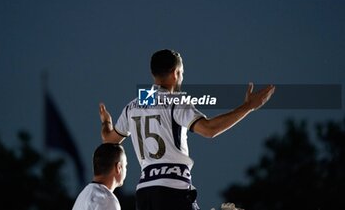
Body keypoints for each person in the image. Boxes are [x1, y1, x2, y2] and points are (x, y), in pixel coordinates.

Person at [99, 49, 275, 210]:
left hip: (145, 194)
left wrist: (106, 122)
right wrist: (248, 107)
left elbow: (108, 140)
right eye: (182, 73)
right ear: (176, 73)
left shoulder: (133, 106)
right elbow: (209, 129)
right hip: (173, 188)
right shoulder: (176, 102)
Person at [72, 143, 127, 210]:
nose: (126, 169)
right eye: (125, 166)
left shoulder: (82, 196)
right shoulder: (107, 200)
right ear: (119, 167)